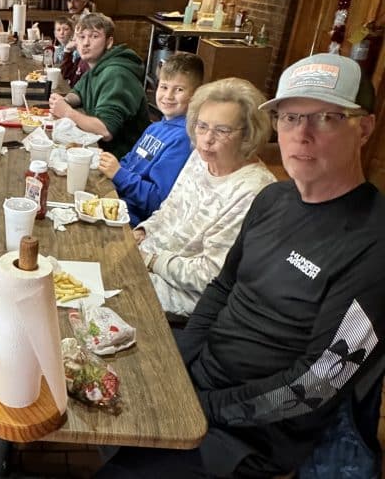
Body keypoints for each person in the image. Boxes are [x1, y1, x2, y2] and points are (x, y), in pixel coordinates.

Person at [99, 53, 384, 478]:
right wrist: (179, 366)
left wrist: (204, 406)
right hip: (204, 378)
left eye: (325, 118)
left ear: (363, 128)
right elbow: (221, 288)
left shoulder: (374, 242)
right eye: (289, 117)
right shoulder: (273, 200)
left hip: (257, 430)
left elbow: (318, 382)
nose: (301, 135)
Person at [135, 77, 275, 319]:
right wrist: (142, 232)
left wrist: (151, 260)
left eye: (222, 131)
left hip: (180, 297)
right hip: (149, 261)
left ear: (248, 134)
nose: (207, 139)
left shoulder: (254, 191)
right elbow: (169, 209)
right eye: (202, 126)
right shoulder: (202, 157)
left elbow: (210, 274)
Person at [98, 52, 204, 224]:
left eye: (179, 90)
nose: (168, 96)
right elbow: (128, 161)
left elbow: (158, 201)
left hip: (133, 218)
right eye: (164, 87)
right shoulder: (155, 127)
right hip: (116, 198)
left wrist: (119, 174)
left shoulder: (184, 139)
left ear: (196, 94)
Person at [49, 13, 150, 157]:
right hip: (100, 150)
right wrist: (63, 101)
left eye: (94, 36)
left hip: (122, 160)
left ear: (109, 42)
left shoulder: (116, 74)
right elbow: (78, 93)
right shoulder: (96, 65)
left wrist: (66, 112)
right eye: (82, 37)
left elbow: (105, 130)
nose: (85, 43)